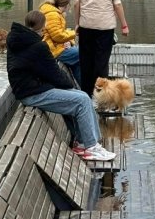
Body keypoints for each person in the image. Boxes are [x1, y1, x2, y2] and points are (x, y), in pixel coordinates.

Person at [7, 10, 115, 161]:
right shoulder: (37, 46)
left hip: (28, 89)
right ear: (43, 28)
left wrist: (69, 88)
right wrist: (69, 86)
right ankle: (90, 147)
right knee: (82, 100)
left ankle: (85, 143)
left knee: (82, 96)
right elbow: (55, 74)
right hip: (32, 93)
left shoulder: (17, 40)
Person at [73, 0, 129, 96]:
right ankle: (101, 98)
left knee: (86, 63)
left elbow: (76, 2)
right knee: (101, 64)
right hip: (105, 27)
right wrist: (124, 25)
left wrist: (77, 23)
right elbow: (117, 4)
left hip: (86, 26)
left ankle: (86, 96)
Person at [39, 0, 80, 86]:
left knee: (77, 62)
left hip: (57, 46)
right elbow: (57, 36)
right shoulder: (53, 14)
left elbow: (60, 33)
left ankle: (84, 88)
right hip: (53, 49)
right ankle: (87, 87)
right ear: (67, 5)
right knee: (84, 54)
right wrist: (75, 33)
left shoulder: (55, 13)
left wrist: (69, 41)